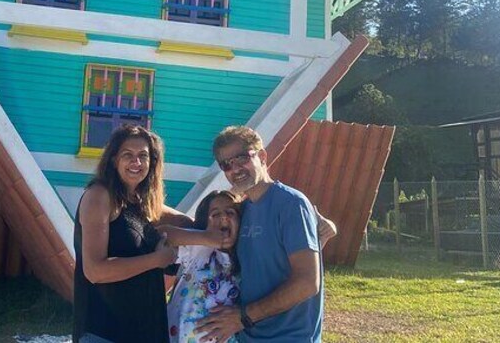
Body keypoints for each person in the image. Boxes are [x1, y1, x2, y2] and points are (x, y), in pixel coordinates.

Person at [197, 126, 328, 343]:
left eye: (241, 158)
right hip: (247, 336)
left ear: (262, 156)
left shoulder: (291, 204)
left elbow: (307, 282)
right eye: (226, 164)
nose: (235, 168)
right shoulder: (240, 212)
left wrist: (244, 316)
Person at [73, 125, 187, 343]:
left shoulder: (143, 204)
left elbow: (185, 222)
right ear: (114, 159)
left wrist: (216, 227)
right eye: (128, 155)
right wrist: (156, 260)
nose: (136, 162)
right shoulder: (100, 196)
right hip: (105, 333)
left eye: (143, 156)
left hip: (145, 332)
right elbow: (95, 271)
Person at [159, 190, 241, 343]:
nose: (223, 217)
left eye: (230, 212)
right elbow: (161, 235)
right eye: (215, 214)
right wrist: (205, 237)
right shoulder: (198, 248)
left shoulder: (247, 258)